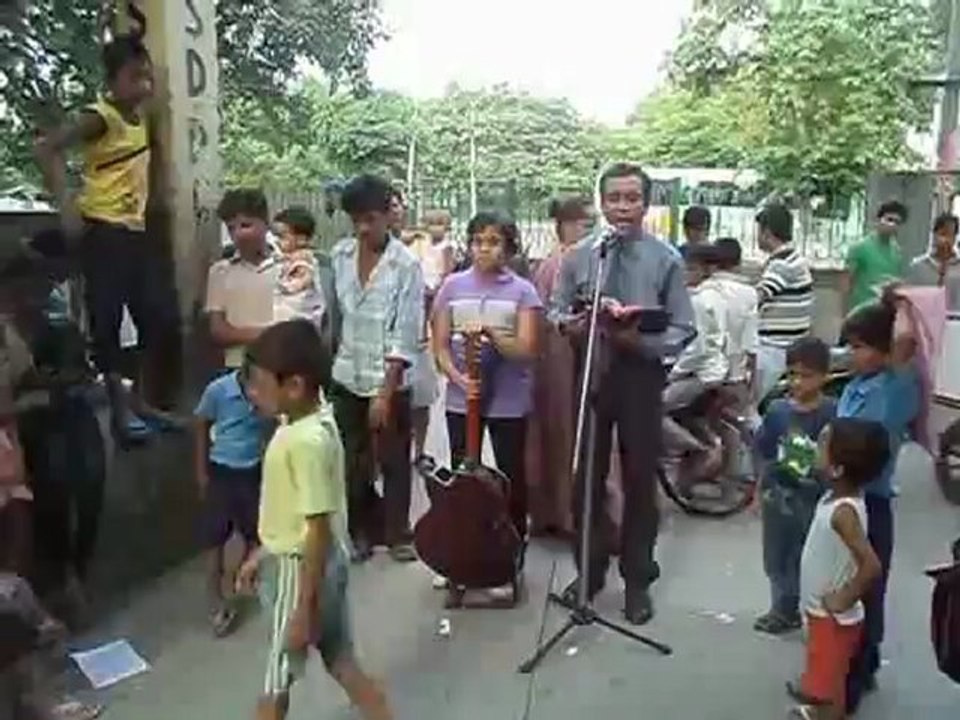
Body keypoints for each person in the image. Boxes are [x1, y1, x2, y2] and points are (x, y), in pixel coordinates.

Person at [552, 162, 696, 625]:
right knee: (585, 476)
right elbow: (556, 309)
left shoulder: (666, 258)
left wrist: (643, 340)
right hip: (592, 368)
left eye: (632, 198)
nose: (622, 207)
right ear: (602, 203)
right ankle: (589, 574)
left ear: (645, 204)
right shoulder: (580, 256)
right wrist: (571, 324)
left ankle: (637, 580)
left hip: (640, 373)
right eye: (614, 198)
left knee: (637, 478)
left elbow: (683, 327)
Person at [236, 320, 392, 720]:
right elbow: (296, 512)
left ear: (294, 386)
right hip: (321, 564)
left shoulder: (302, 440)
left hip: (300, 571)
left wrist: (304, 608)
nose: (251, 394)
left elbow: (316, 526)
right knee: (341, 660)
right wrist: (260, 553)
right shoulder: (316, 421)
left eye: (257, 383)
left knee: (275, 682)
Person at [33, 33, 180, 446]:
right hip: (102, 228)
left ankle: (141, 402)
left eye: (148, 77)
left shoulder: (142, 120)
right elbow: (48, 149)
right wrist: (67, 207)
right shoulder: (99, 117)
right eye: (135, 77)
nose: (144, 86)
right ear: (113, 80)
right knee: (108, 322)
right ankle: (119, 411)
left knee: (158, 316)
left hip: (133, 231)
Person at [432, 211, 542, 601]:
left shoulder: (523, 292)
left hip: (509, 399)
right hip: (464, 398)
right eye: (478, 240)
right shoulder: (451, 286)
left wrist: (494, 335)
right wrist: (460, 379)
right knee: (464, 476)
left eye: (494, 241)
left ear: (508, 247)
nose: (484, 249)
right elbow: (440, 345)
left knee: (509, 477)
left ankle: (510, 556)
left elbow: (527, 351)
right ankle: (460, 555)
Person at [329, 175, 424, 564]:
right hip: (346, 374)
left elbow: (405, 332)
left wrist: (384, 394)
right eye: (356, 220)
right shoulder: (339, 255)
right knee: (352, 460)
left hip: (390, 379)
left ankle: (398, 532)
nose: (364, 228)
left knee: (393, 459)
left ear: (389, 214)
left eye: (371, 218)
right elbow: (334, 318)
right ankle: (361, 530)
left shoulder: (406, 265)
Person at [836, 292, 920, 714]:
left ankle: (856, 675)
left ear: (887, 351)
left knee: (866, 589)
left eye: (860, 346)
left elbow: (906, 341)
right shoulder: (856, 384)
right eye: (849, 346)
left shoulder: (897, 386)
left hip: (873, 505)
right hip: (844, 501)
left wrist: (901, 304)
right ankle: (855, 666)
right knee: (843, 583)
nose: (851, 354)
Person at [527, 195, 625, 540]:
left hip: (563, 363)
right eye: (586, 224)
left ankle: (554, 512)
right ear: (564, 226)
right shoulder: (568, 262)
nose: (592, 231)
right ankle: (580, 517)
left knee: (558, 436)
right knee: (576, 438)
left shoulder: (563, 261)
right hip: (569, 362)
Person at [788, 418, 886, 720]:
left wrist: (844, 597)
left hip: (833, 619)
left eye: (821, 444)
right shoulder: (837, 494)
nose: (815, 446)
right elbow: (801, 464)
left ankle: (826, 712)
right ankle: (817, 698)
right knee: (822, 669)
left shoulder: (844, 512)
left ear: (838, 468)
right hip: (821, 614)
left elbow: (871, 565)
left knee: (831, 685)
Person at [754, 337, 836, 635]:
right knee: (776, 555)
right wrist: (757, 492)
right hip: (778, 496)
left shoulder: (832, 412)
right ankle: (782, 609)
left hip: (815, 497)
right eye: (793, 374)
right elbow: (763, 452)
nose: (798, 382)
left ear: (826, 376)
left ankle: (814, 611)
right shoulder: (777, 411)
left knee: (810, 556)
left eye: (807, 375)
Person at [194, 365, 270, 637]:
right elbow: (201, 424)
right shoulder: (218, 390)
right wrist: (202, 472)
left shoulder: (266, 392)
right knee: (214, 540)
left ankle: (243, 582)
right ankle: (217, 604)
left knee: (256, 534)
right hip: (222, 471)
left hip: (252, 470)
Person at [662, 243, 729, 479]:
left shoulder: (699, 300)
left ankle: (698, 450)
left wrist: (675, 372)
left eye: (689, 269)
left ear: (703, 270)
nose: (684, 274)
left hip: (702, 373)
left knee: (653, 409)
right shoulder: (717, 295)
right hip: (715, 368)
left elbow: (697, 347)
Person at [206, 190, 280, 372]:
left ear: (265, 223)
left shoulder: (291, 266)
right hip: (238, 368)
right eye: (231, 228)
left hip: (282, 367)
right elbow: (218, 331)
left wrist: (241, 333)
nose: (238, 234)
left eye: (245, 225)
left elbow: (306, 327)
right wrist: (270, 333)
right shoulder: (220, 272)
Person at [755, 203, 814, 404]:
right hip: (790, 345)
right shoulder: (795, 258)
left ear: (767, 232)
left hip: (774, 348)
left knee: (747, 406)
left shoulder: (781, 264)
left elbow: (758, 297)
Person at [399, 230, 441, 462]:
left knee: (421, 401)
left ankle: (419, 450)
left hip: (418, 339)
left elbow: (431, 290)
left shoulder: (420, 251)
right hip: (389, 339)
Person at [713, 237, 759, 407]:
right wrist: (753, 384)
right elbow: (751, 344)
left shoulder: (700, 289)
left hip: (702, 376)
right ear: (739, 262)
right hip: (734, 376)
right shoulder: (748, 294)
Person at [841, 201, 908, 315]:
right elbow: (846, 283)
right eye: (889, 219)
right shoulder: (860, 247)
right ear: (878, 220)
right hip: (861, 311)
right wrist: (844, 315)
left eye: (897, 222)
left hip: (885, 313)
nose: (892, 225)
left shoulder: (897, 251)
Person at [272, 206, 326, 332]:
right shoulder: (286, 259)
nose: (276, 240)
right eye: (275, 235)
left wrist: (279, 286)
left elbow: (296, 285)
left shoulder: (304, 261)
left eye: (282, 236)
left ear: (301, 239)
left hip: (302, 324)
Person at [906, 212, 960, 311]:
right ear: (934, 235)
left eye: (951, 235)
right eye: (943, 234)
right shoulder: (918, 267)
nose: (946, 240)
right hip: (925, 321)